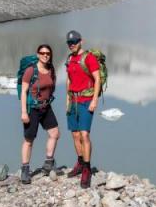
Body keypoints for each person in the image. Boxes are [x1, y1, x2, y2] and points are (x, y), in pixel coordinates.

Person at [64, 29, 101, 188]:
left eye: (74, 42)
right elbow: (69, 79)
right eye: (69, 43)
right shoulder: (70, 59)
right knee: (75, 134)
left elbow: (97, 78)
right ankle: (79, 162)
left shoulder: (89, 58)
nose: (72, 45)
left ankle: (86, 168)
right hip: (73, 100)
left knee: (84, 134)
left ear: (81, 41)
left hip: (86, 100)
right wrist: (67, 98)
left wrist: (94, 100)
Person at [20, 44, 59, 184]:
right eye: (42, 53)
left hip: (46, 107)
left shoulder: (51, 69)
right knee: (29, 140)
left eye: (48, 53)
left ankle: (48, 163)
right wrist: (24, 112)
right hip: (33, 109)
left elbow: (51, 87)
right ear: (38, 54)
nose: (45, 55)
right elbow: (24, 91)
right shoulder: (31, 71)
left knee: (54, 133)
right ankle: (25, 169)